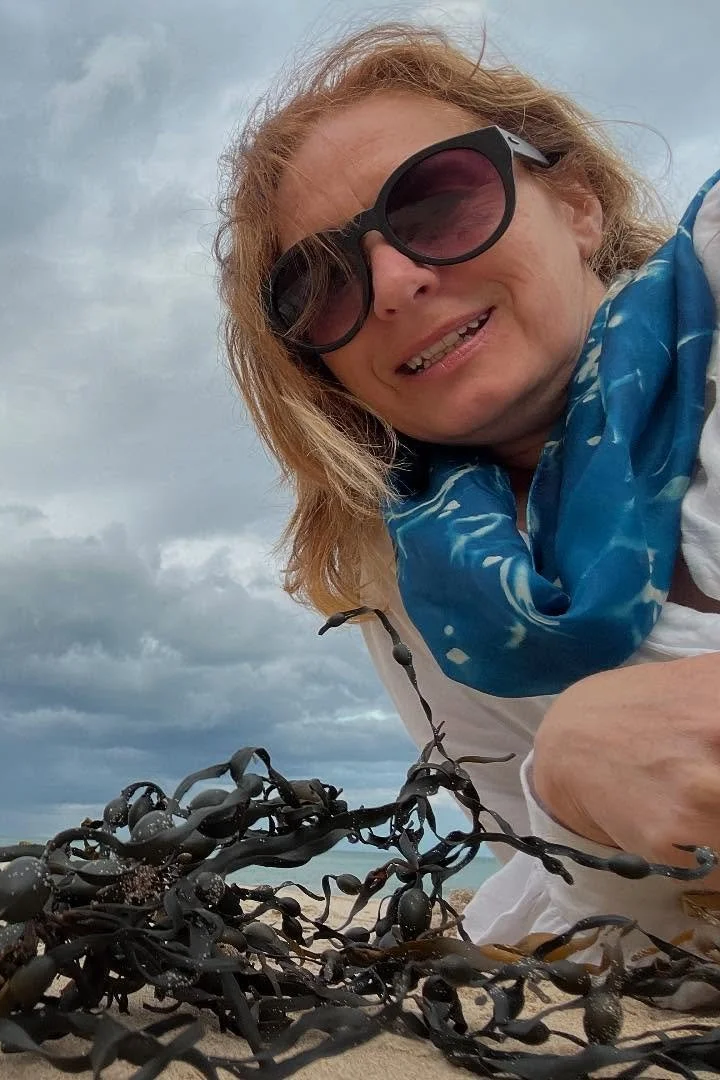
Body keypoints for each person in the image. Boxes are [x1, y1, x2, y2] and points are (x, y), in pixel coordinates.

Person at [215, 21, 720, 972]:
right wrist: (575, 795)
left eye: (441, 202)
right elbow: (544, 867)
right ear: (321, 371)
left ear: (576, 204)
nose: (395, 282)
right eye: (320, 284)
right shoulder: (415, 588)